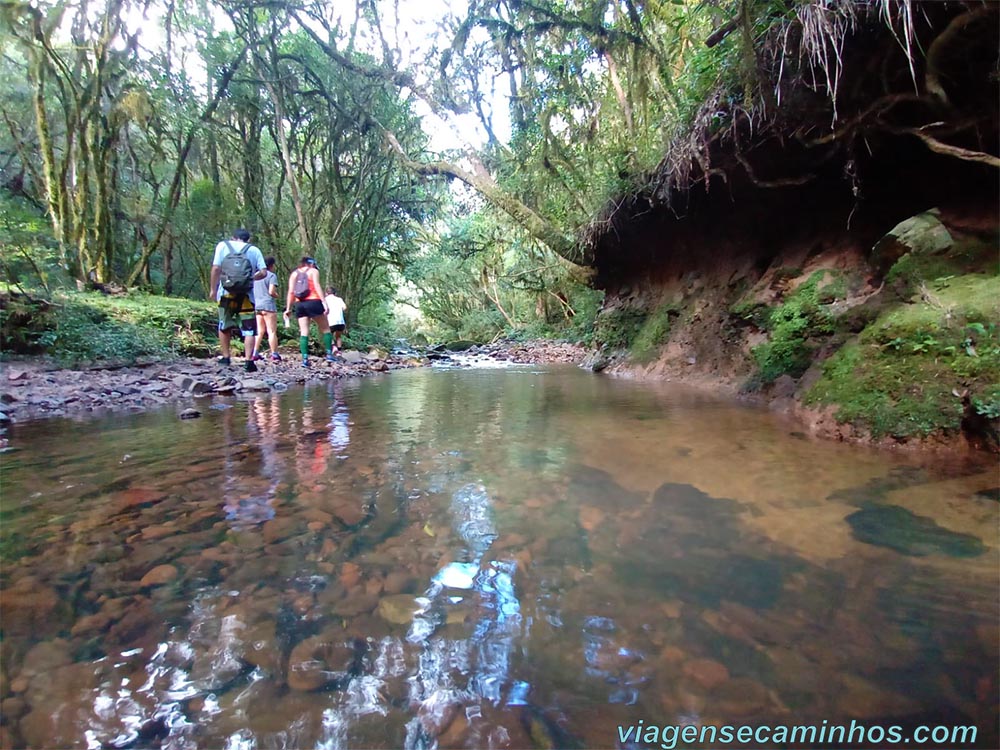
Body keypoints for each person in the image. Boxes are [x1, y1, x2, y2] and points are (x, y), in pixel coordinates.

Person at [210, 229, 268, 373]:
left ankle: (225, 358)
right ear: (248, 239)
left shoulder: (222, 246)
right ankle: (248, 361)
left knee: (224, 325)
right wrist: (251, 278)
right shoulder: (254, 250)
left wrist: (213, 289)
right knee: (249, 329)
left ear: (233, 237)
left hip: (226, 294)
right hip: (246, 296)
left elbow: (216, 268)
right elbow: (263, 272)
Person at [285, 257, 335, 367]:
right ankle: (329, 354)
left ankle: (305, 359)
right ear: (311, 264)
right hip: (314, 302)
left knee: (304, 331)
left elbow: (291, 292)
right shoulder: (313, 271)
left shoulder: (294, 274)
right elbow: (317, 286)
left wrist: (288, 308)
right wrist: (324, 302)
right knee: (326, 328)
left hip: (300, 304)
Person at [252, 256, 281, 362]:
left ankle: (254, 353)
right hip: (268, 306)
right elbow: (271, 291)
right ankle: (274, 354)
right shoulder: (272, 276)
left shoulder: (255, 276)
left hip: (257, 305)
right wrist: (277, 296)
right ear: (272, 265)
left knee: (259, 331)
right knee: (271, 331)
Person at [324, 286, 348, 353]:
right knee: (338, 336)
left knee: (328, 335)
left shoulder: (325, 300)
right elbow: (345, 308)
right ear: (335, 293)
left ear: (326, 293)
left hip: (331, 321)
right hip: (340, 322)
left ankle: (333, 347)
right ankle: (339, 351)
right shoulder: (339, 299)